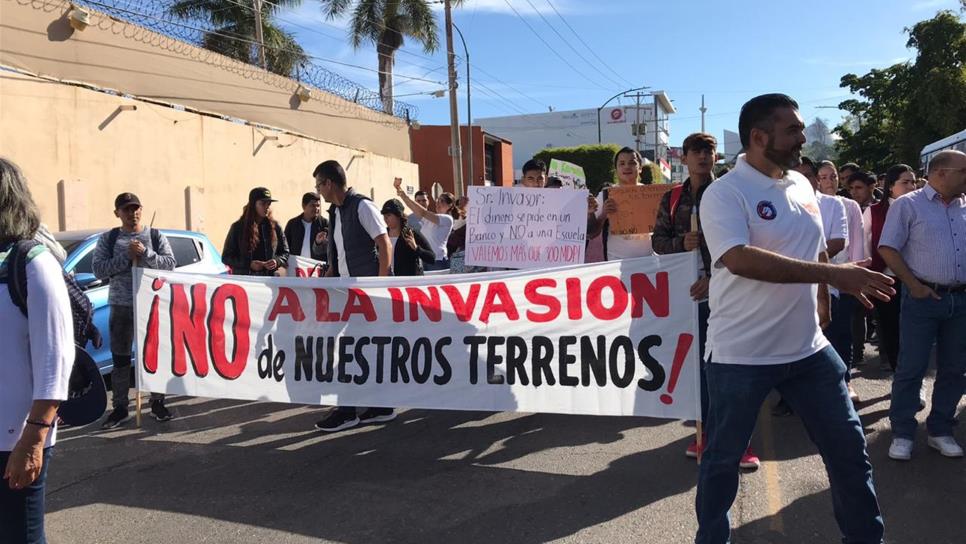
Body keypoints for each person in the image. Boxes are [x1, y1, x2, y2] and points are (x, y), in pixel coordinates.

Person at [695, 94, 890, 544]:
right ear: (759, 137)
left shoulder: (802, 188)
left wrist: (823, 301)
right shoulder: (724, 193)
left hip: (809, 353)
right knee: (722, 462)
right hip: (740, 357)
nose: (804, 138)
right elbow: (740, 259)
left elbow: (816, 246)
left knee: (849, 454)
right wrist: (831, 274)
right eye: (793, 130)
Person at [651, 133, 761, 469]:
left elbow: (749, 244)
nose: (702, 156)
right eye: (695, 151)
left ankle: (738, 443)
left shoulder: (731, 192)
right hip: (689, 299)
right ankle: (705, 434)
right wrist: (680, 244)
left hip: (729, 295)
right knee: (700, 372)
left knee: (733, 371)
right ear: (683, 158)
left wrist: (714, 281)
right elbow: (658, 241)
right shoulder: (672, 198)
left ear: (715, 156)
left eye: (708, 151)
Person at [0, 158, 74, 544]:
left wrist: (33, 439)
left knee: (21, 537)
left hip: (16, 438)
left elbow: (56, 360)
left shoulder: (33, 264)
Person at [878, 149, 966, 461]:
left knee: (955, 369)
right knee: (912, 366)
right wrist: (913, 285)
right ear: (941, 172)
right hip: (923, 299)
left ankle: (940, 430)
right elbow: (887, 247)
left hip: (960, 299)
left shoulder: (964, 206)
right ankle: (902, 431)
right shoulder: (908, 205)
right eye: (963, 170)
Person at [313, 160, 393, 432]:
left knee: (349, 349)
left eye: (319, 185)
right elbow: (340, 252)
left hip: (367, 294)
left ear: (329, 183)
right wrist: (329, 275)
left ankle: (348, 411)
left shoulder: (362, 205)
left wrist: (380, 285)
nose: (318, 192)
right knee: (362, 350)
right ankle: (381, 405)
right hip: (347, 292)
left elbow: (384, 243)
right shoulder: (336, 212)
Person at [94, 192, 177, 428]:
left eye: (136, 208)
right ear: (117, 213)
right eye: (127, 209)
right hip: (121, 306)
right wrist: (125, 258)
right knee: (120, 358)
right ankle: (120, 407)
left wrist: (145, 254)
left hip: (151, 304)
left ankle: (158, 402)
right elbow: (99, 270)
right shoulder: (108, 239)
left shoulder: (154, 235)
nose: (133, 213)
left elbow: (170, 264)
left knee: (153, 356)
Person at [863, 164, 919, 372]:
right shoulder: (874, 211)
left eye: (913, 182)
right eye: (905, 182)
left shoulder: (922, 208)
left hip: (918, 280)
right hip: (887, 281)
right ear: (891, 186)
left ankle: (915, 377)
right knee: (891, 330)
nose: (911, 186)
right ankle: (898, 372)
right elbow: (864, 245)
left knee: (915, 333)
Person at [587, 147, 655, 261]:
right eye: (622, 164)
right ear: (616, 169)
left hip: (649, 263)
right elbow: (591, 234)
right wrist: (603, 214)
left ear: (640, 168)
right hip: (616, 265)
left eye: (632, 163)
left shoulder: (651, 194)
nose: (627, 167)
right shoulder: (606, 194)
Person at [222, 187, 290, 277]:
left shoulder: (275, 226)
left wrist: (276, 261)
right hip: (246, 282)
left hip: (269, 281)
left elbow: (285, 252)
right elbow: (226, 257)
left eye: (268, 204)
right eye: (263, 203)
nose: (267, 207)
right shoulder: (237, 227)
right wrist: (248, 264)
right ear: (253, 205)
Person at [395, 180, 459, 271]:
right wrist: (400, 192)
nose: (438, 203)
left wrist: (403, 195)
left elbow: (422, 212)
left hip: (438, 261)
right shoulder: (431, 218)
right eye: (437, 200)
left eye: (442, 201)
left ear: (450, 205)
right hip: (425, 259)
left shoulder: (447, 219)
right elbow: (416, 210)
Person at [381, 199, 435, 276]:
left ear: (398, 215)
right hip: (387, 281)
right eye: (384, 216)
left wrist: (416, 248)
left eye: (389, 215)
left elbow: (431, 258)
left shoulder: (410, 234)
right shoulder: (382, 235)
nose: (385, 218)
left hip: (407, 282)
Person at [284, 192, 328, 261]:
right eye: (312, 205)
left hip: (317, 268)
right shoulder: (292, 224)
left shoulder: (325, 224)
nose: (316, 208)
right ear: (304, 206)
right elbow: (285, 247)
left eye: (318, 205)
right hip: (296, 268)